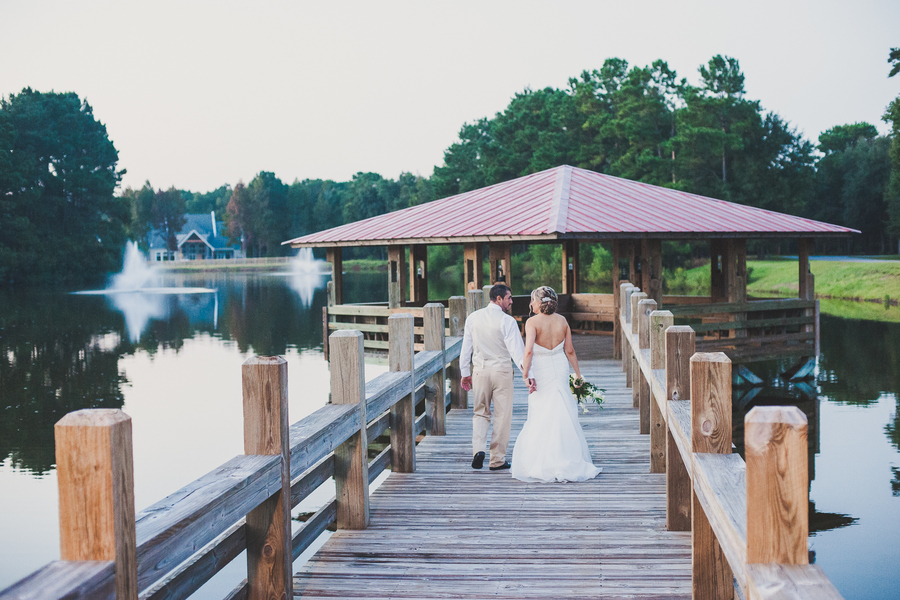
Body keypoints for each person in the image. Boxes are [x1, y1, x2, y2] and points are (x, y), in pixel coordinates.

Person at [511, 286, 601, 483]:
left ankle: (544, 459)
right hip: (560, 367)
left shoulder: (532, 322)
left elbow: (528, 352)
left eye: (532, 300)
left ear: (538, 302)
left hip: (541, 368)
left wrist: (525, 375)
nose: (530, 304)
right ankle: (566, 456)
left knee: (542, 409)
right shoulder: (562, 321)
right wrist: (578, 374)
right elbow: (570, 351)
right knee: (562, 407)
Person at [460, 284, 534, 470]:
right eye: (509, 298)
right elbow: (518, 352)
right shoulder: (507, 321)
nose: (511, 301)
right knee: (502, 416)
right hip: (501, 371)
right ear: (498, 299)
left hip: (480, 371)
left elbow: (466, 348)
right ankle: (497, 460)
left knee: (480, 413)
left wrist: (465, 373)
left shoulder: (473, 318)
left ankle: (478, 450)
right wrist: (528, 375)